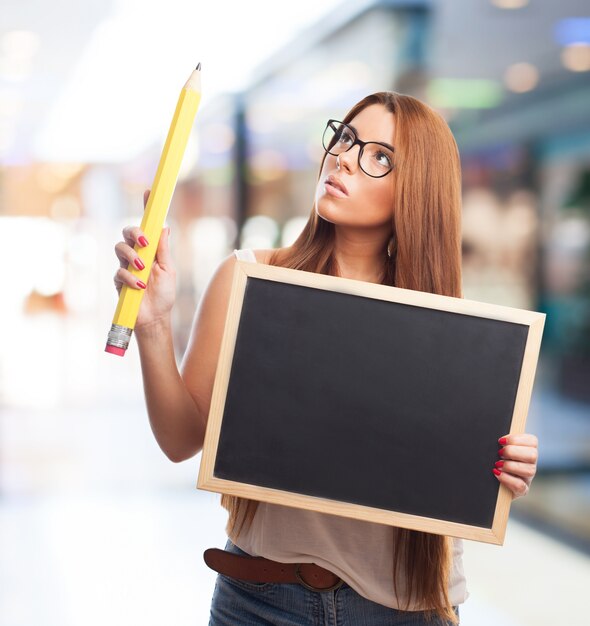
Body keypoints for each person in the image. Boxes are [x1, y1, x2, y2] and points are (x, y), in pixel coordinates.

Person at [113, 91, 539, 625]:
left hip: (405, 608)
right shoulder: (250, 278)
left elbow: (446, 467)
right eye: (347, 138)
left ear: (417, 190)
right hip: (261, 600)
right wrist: (152, 324)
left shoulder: (449, 328)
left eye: (380, 157)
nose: (344, 157)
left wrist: (503, 466)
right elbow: (180, 440)